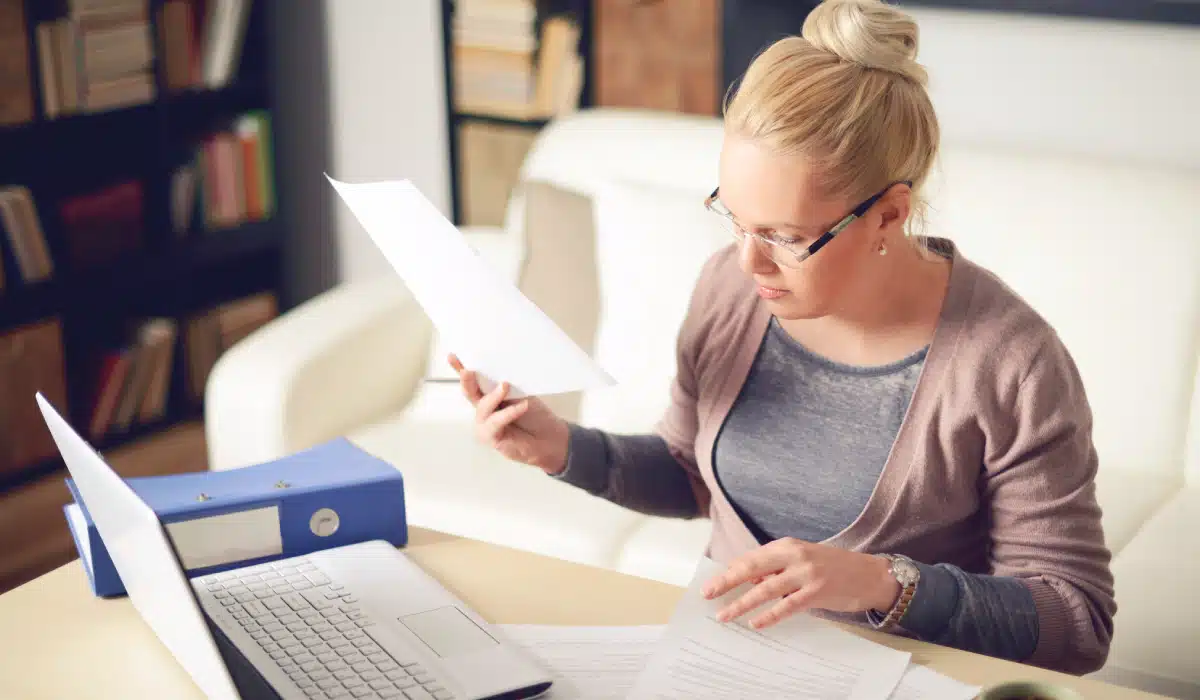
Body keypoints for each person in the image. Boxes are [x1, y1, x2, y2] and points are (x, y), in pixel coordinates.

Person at [448, 0, 1115, 676]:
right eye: (734, 219)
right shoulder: (729, 291)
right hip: (720, 669)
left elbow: (1076, 623)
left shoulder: (1010, 363)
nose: (748, 262)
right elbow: (689, 473)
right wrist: (561, 448)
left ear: (888, 214)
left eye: (786, 238)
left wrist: (883, 584)